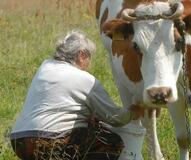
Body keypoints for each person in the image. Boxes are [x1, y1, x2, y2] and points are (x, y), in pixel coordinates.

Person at [10, 30, 145, 160]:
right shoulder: (85, 80)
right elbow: (116, 119)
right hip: (49, 141)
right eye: (89, 57)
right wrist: (132, 112)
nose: (89, 64)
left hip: (20, 141)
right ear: (82, 55)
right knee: (111, 143)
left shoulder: (44, 68)